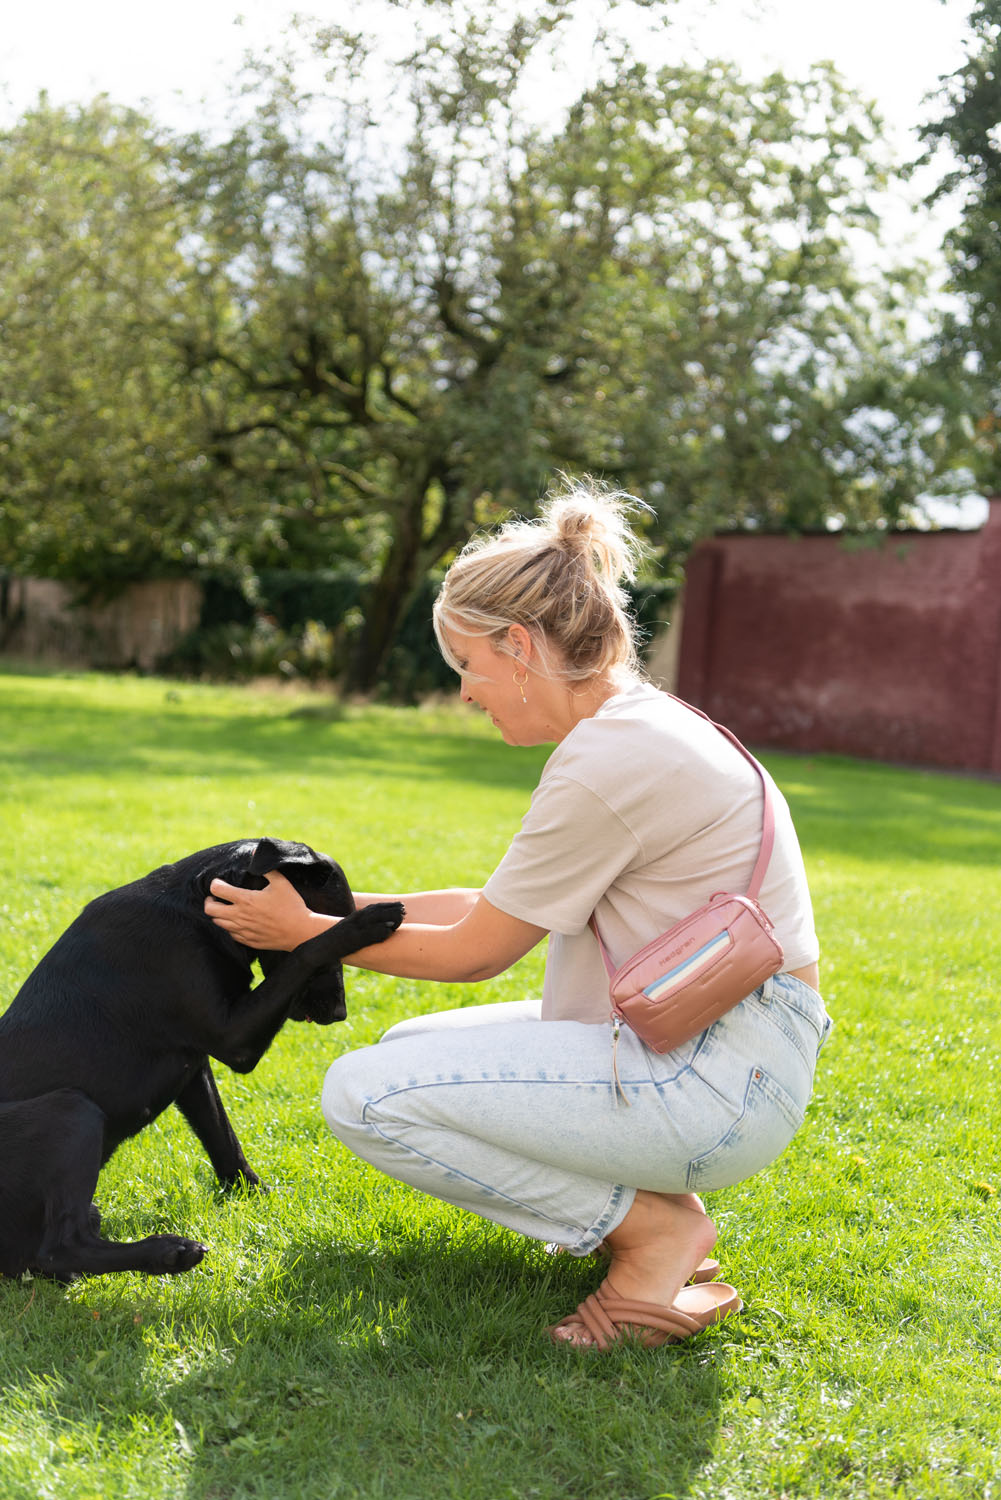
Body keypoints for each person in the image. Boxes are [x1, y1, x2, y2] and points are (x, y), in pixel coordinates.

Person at [204, 478, 830, 1351]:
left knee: (364, 1096)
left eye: (468, 666)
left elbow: (475, 951)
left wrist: (303, 938)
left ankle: (654, 1234)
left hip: (713, 1082)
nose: (465, 692)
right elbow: (489, 907)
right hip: (723, 1053)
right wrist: (335, 905)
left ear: (519, 644)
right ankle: (653, 1210)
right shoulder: (637, 728)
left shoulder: (610, 758)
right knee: (404, 1055)